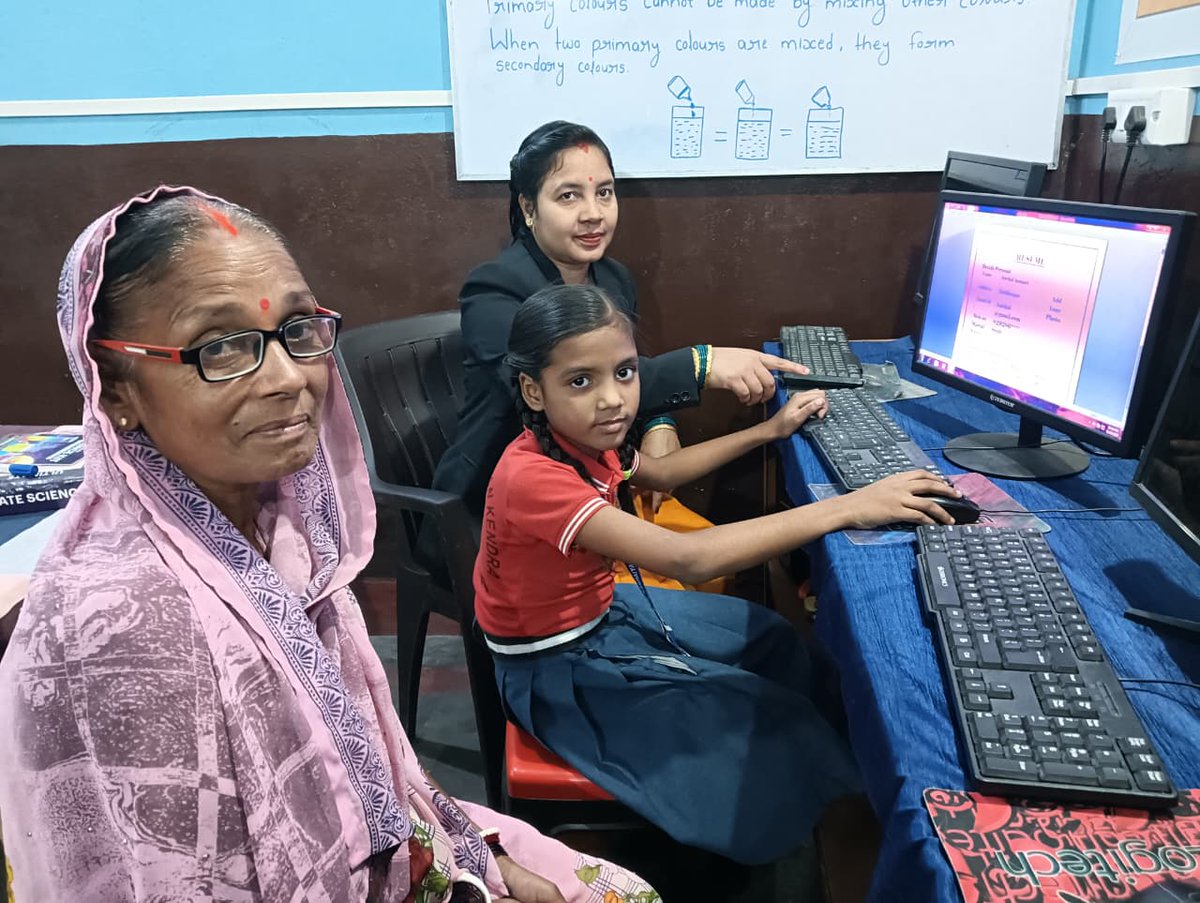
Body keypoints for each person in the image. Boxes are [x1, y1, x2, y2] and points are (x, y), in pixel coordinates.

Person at [0, 186, 660, 903]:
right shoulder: (120, 628)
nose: (288, 377)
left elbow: (372, 755)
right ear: (116, 387)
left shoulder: (281, 525)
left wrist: (480, 863)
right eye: (223, 346)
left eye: (297, 330)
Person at [474, 284, 961, 865]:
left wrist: (769, 431)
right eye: (581, 381)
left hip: (599, 616)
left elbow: (660, 471)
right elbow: (688, 560)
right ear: (534, 389)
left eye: (625, 373)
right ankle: (824, 838)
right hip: (556, 669)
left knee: (772, 638)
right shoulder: (534, 476)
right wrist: (850, 506)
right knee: (763, 717)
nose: (612, 400)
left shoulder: (579, 438)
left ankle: (832, 784)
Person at [431, 120, 813, 519]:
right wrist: (702, 364)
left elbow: (627, 370)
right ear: (529, 207)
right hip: (497, 508)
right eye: (568, 196)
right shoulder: (496, 289)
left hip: (600, 488)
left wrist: (658, 425)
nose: (593, 214)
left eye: (605, 193)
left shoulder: (613, 279)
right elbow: (560, 394)